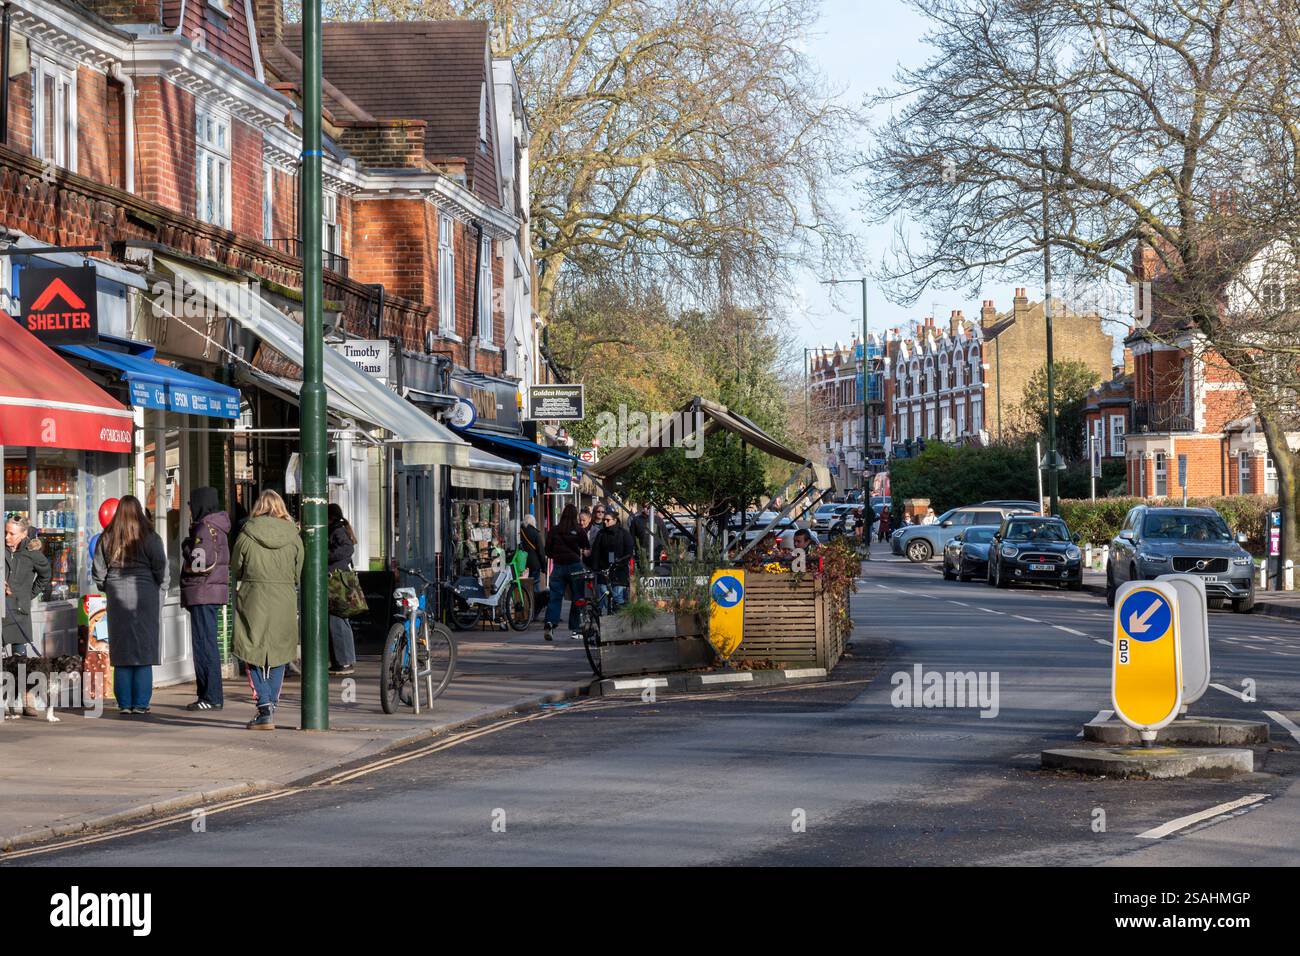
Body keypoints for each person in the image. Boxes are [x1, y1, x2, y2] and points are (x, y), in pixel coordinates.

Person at [232, 490, 304, 730]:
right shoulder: (294, 535)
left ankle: (264, 706)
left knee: (251, 650)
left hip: (254, 597)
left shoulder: (247, 533)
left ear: (258, 507)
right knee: (279, 652)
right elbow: (298, 570)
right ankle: (270, 705)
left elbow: (236, 567)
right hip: (283, 598)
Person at [91, 496, 168, 715]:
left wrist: (107, 587)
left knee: (122, 651)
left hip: (117, 593)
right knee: (144, 651)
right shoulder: (150, 536)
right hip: (145, 593)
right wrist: (156, 589)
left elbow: (98, 570)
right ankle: (141, 704)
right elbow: (160, 567)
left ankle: (124, 703)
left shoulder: (107, 536)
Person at [179, 487, 230, 711]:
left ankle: (210, 696)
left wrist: (187, 546)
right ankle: (210, 695)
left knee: (204, 645)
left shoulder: (203, 528)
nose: (190, 509)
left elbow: (199, 563)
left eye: (192, 504)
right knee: (207, 643)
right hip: (211, 591)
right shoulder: (218, 527)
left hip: (202, 591)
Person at [3, 517, 51, 658]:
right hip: (1, 612)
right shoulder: (1, 549)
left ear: (24, 534)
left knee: (20, 668)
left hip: (19, 614)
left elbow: (45, 576)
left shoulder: (32, 554)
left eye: (12, 534)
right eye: (6, 532)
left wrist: (27, 595)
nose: (7, 537)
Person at [544, 504, 588, 641]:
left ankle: (551, 622)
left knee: (555, 596)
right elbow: (586, 546)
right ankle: (576, 629)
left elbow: (547, 550)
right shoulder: (579, 530)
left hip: (558, 567)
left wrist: (556, 556)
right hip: (575, 566)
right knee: (577, 597)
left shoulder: (554, 530)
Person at [327, 503, 358, 677]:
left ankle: (344, 661)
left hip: (337, 581)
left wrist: (324, 555)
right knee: (338, 620)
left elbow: (347, 549)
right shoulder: (339, 528)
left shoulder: (337, 530)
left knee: (337, 621)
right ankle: (341, 661)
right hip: (339, 580)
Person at [592, 511, 635, 611]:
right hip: (604, 570)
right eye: (604, 520)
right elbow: (596, 551)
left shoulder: (624, 534)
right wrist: (596, 568)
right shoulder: (601, 533)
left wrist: (620, 562)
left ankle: (618, 619)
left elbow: (629, 551)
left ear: (615, 520)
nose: (605, 522)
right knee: (603, 594)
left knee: (618, 596)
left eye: (608, 520)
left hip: (619, 570)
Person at [519, 514, 546, 620]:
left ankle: (525, 610)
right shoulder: (535, 533)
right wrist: (544, 567)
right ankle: (534, 612)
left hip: (522, 564)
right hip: (534, 565)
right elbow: (541, 552)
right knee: (535, 588)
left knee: (524, 588)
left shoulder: (519, 532)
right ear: (532, 522)